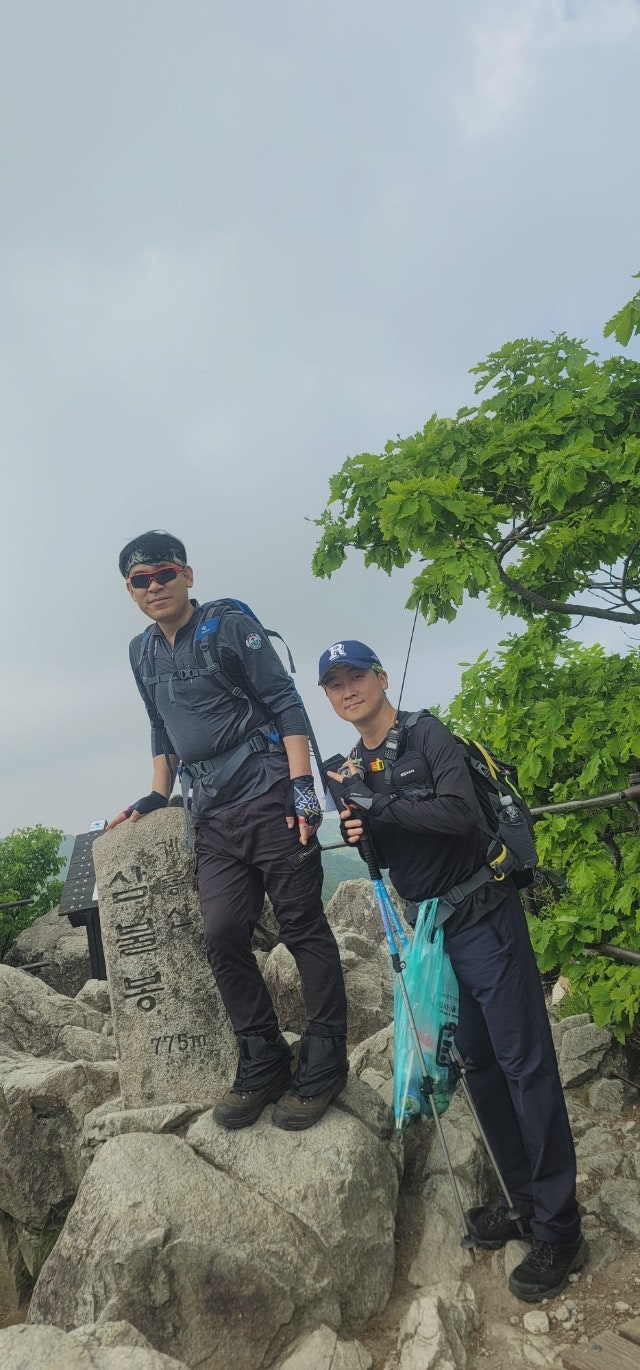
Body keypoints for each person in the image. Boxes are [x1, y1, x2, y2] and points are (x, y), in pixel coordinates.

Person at [319, 638, 587, 1303]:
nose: (347, 689)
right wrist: (361, 831)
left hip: (485, 913)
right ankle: (524, 1203)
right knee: (481, 1066)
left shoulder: (427, 735)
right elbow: (389, 852)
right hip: (433, 932)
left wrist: (376, 804)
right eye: (334, 683)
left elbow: (459, 813)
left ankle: (561, 1231)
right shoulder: (356, 766)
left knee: (525, 1064)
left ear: (381, 678)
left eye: (356, 676)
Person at [108, 530, 348, 1130]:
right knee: (220, 934)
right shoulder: (142, 652)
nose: (154, 586)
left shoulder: (228, 626)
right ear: (130, 590)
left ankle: (325, 1056)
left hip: (268, 794)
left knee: (301, 926)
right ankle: (263, 1056)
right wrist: (157, 792)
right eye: (140, 580)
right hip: (210, 814)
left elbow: (286, 702)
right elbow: (160, 726)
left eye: (164, 573)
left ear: (187, 575)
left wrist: (302, 788)